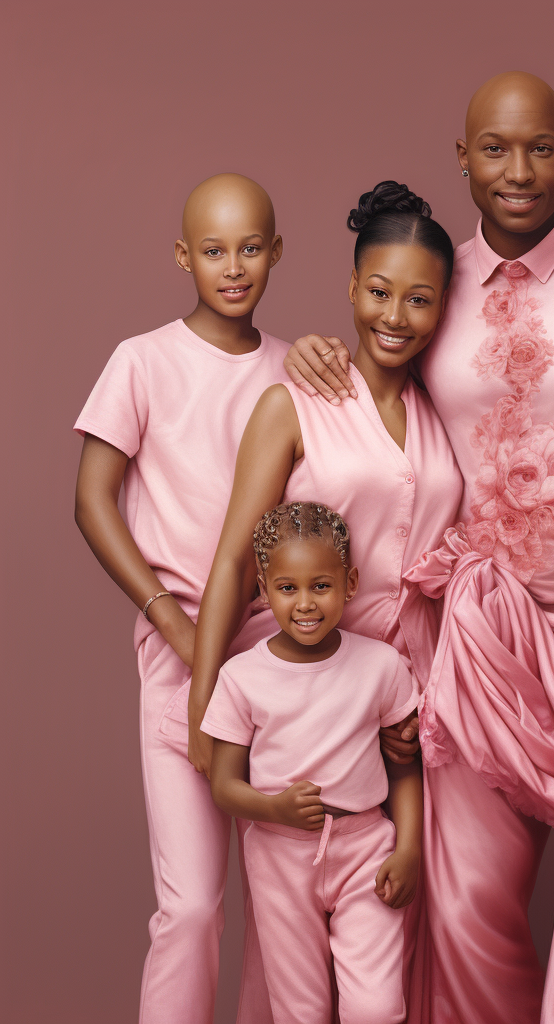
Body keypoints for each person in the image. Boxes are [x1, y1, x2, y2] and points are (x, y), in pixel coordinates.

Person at [285, 73, 554, 1024]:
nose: (517, 170)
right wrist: (309, 354)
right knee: (462, 918)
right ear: (463, 159)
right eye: (494, 148)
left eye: (539, 149)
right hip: (479, 653)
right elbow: (378, 349)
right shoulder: (437, 291)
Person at [189, 181, 462, 1001]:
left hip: (418, 685)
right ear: (350, 288)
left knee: (404, 917)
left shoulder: (444, 409)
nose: (394, 315)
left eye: (419, 299)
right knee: (294, 942)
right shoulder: (294, 400)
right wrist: (206, 711)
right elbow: (235, 560)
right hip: (310, 678)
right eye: (378, 292)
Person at [73, 173, 286, 1024]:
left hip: (277, 662)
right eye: (212, 250)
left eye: (248, 248)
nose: (232, 267)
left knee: (282, 914)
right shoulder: (143, 360)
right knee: (194, 905)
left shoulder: (293, 369)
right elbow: (91, 500)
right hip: (177, 655)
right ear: (182, 256)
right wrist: (169, 618)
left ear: (276, 251)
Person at [203, 501, 422, 1024]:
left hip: (366, 849)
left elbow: (405, 768)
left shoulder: (381, 667)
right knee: (300, 1011)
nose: (305, 603)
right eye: (288, 588)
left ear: (349, 584)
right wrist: (274, 809)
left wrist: (409, 847)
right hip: (279, 857)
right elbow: (223, 786)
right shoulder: (241, 678)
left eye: (321, 586)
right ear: (263, 589)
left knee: (376, 1008)